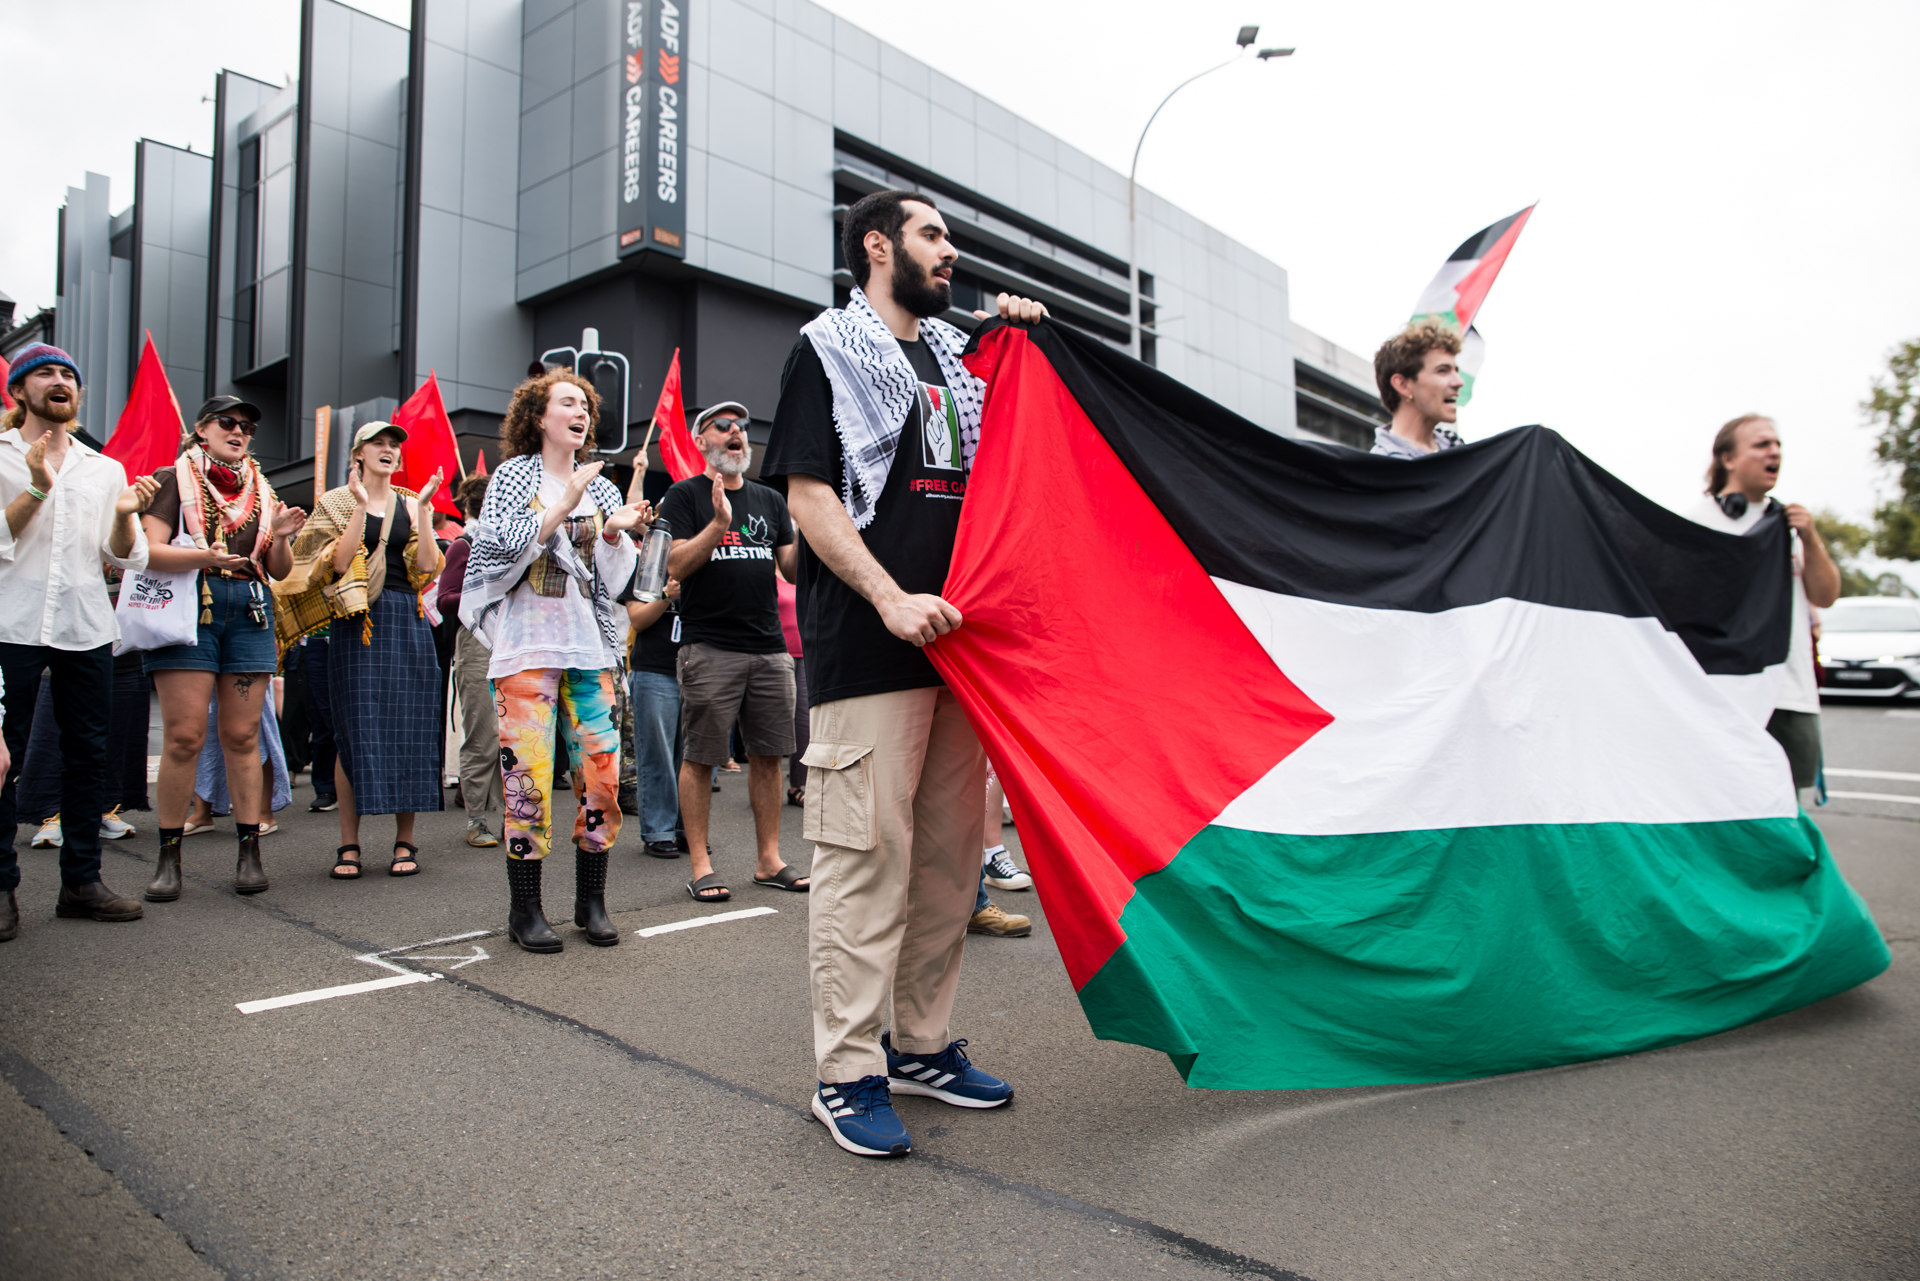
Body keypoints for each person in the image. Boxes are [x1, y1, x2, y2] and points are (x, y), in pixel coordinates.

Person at [763, 189, 1046, 1156]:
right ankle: (847, 1073)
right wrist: (888, 597)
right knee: (863, 859)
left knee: (948, 863)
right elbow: (809, 495)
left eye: (954, 237)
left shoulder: (963, 357)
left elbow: (1019, 461)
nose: (951, 251)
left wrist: (1022, 341)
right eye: (933, 234)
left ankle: (921, 1045)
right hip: (875, 646)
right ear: (879, 245)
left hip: (964, 649)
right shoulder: (825, 348)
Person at [460, 369, 650, 953]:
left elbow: (614, 584)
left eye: (585, 405)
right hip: (526, 652)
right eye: (567, 403)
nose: (581, 413)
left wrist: (616, 534)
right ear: (538, 418)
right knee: (528, 784)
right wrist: (563, 504)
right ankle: (526, 910)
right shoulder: (516, 476)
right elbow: (495, 552)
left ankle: (590, 901)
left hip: (590, 649)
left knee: (602, 779)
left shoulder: (606, 488)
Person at [0, 344, 155, 937]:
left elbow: (125, 555)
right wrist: (36, 488)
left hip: (84, 626)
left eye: (68, 374)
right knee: (3, 757)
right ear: (20, 391)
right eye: (45, 373)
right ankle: (2, 888)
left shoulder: (103, 468)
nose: (59, 381)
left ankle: (81, 883)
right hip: (10, 626)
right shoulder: (5, 455)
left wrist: (123, 512)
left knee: (88, 755)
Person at [138, 396, 307, 901]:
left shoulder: (263, 488)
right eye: (227, 422)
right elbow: (146, 549)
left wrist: (277, 537)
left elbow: (278, 570)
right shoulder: (174, 478)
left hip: (249, 608)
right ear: (201, 430)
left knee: (241, 735)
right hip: (192, 604)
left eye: (247, 426)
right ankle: (169, 859)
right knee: (185, 737)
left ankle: (249, 852)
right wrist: (201, 557)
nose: (239, 431)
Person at [277, 421, 444, 879]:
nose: (389, 451)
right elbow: (332, 561)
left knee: (409, 729)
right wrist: (358, 508)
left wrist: (426, 511)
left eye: (394, 446)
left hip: (405, 618)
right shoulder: (335, 500)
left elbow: (427, 569)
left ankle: (404, 841)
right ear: (359, 453)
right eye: (379, 444)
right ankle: (348, 844)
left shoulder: (412, 502)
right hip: (355, 621)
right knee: (354, 730)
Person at [657, 400, 805, 901]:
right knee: (702, 757)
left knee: (769, 756)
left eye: (741, 425)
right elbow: (672, 565)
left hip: (769, 648)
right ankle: (701, 864)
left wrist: (810, 519)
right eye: (722, 426)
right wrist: (718, 524)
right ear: (701, 441)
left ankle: (769, 860)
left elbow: (792, 571)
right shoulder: (683, 496)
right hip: (709, 647)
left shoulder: (769, 499)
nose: (735, 432)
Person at [1686, 414, 1841, 796]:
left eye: (1777, 445)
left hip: (1789, 691)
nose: (1774, 452)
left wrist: (1810, 536)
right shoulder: (1693, 522)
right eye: (1760, 444)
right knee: (1722, 804)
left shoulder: (1788, 524)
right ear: (1728, 458)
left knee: (1787, 813)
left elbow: (1825, 596)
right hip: (1721, 692)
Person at [437, 473, 503, 848]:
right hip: (477, 643)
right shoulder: (463, 545)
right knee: (482, 733)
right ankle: (477, 819)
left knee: (515, 735)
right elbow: (445, 598)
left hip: (510, 643)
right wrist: (480, 592)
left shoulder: (511, 544)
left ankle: (514, 816)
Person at [626, 575, 685, 857]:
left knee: (695, 759)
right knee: (657, 756)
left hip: (700, 669)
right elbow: (637, 619)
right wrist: (666, 596)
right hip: (654, 670)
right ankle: (659, 830)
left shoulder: (710, 560)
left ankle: (687, 830)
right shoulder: (651, 564)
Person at [1370, 322, 1466, 458]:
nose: (1459, 382)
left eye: (1456, 371)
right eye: (1442, 371)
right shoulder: (1383, 470)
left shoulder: (1456, 447)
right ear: (1403, 385)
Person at [777, 575, 808, 807]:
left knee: (803, 723)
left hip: (806, 655)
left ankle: (798, 785)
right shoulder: (769, 577)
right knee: (776, 724)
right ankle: (766, 786)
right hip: (777, 653)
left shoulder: (802, 576)